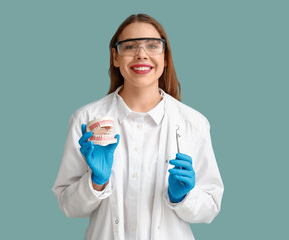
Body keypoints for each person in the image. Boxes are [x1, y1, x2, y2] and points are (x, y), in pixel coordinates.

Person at [52, 13, 224, 240]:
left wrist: (182, 197)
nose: (141, 54)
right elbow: (70, 207)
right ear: (115, 56)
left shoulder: (193, 123)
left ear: (165, 58)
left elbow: (210, 207)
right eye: (130, 46)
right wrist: (96, 182)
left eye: (153, 46)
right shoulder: (85, 119)